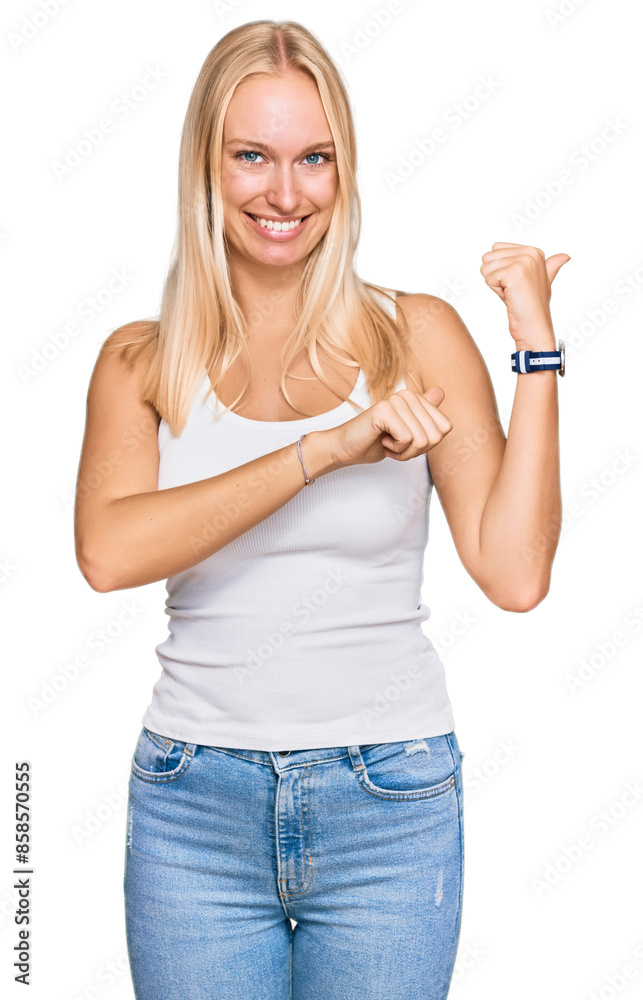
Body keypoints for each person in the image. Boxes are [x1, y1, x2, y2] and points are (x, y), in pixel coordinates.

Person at [73, 19, 568, 1000]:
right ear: (204, 165)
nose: (285, 194)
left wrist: (536, 351)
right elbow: (107, 551)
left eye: (314, 159)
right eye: (252, 156)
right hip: (193, 802)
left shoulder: (413, 336)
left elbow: (513, 575)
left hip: (386, 798)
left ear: (345, 170)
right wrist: (321, 451)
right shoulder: (142, 359)